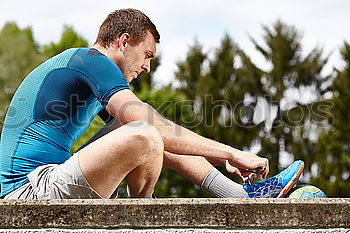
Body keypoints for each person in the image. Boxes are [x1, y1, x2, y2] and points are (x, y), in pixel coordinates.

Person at [0, 8, 304, 199]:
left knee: (143, 132)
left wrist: (214, 157)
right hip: (27, 191)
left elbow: (165, 141)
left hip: (48, 179)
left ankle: (238, 196)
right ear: (123, 41)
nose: (146, 67)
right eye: (147, 55)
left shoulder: (91, 72)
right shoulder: (91, 60)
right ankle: (141, 214)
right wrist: (233, 153)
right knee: (145, 132)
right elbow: (153, 130)